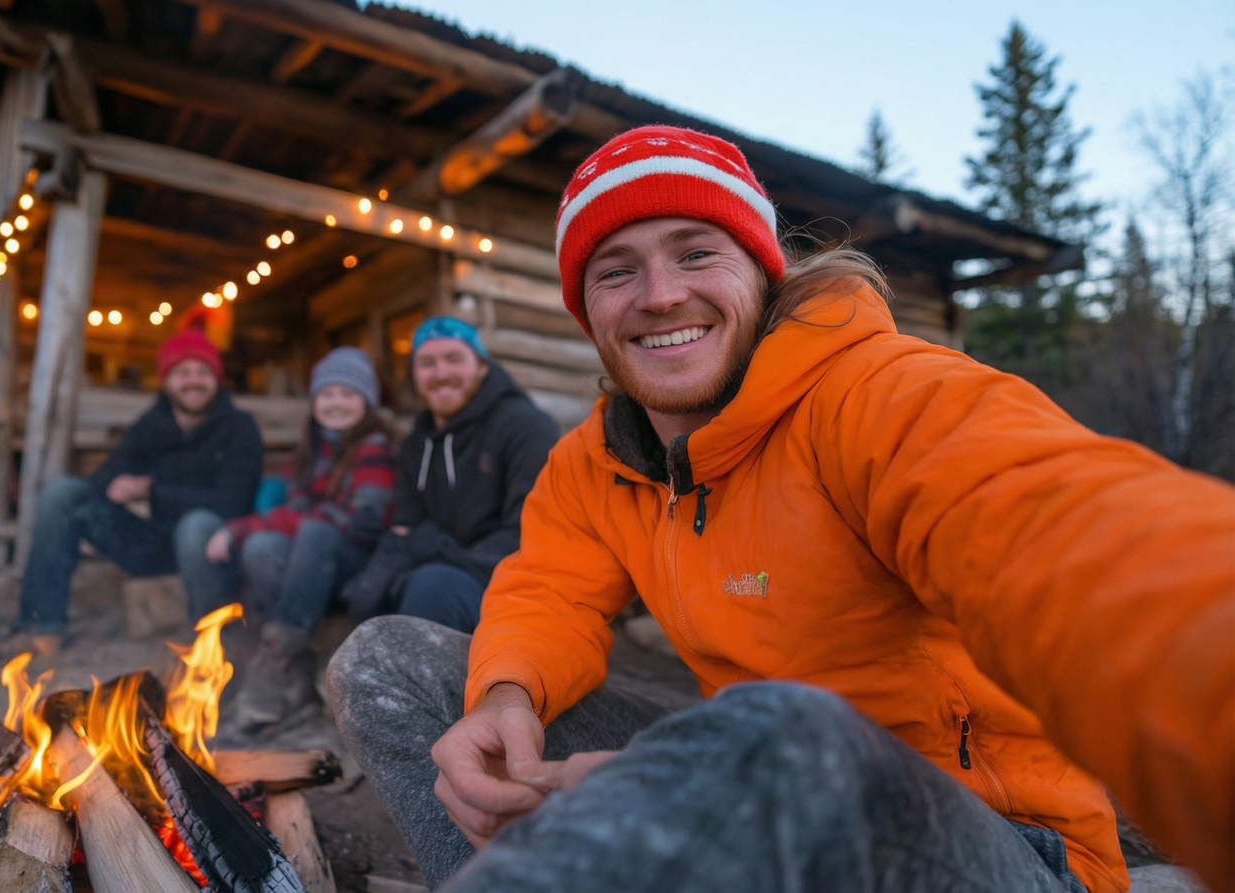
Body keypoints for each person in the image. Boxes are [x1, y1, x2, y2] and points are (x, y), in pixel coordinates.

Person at [326, 126, 1235, 893]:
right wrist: (507, 696)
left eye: (696, 252)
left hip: (1004, 848)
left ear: (762, 272)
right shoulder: (593, 464)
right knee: (387, 663)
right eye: (615, 270)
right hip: (753, 779)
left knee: (777, 732)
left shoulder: (879, 396)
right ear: (586, 312)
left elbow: (1075, 543)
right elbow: (548, 590)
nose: (661, 295)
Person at [0, 328, 263, 668]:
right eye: (182, 372)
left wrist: (150, 491)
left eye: (203, 372)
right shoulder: (151, 425)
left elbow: (233, 503)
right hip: (154, 544)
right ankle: (41, 627)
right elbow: (105, 476)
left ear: (216, 379)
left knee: (196, 525)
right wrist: (115, 485)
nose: (193, 381)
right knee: (61, 494)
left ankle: (209, 644)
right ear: (166, 380)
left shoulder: (240, 428)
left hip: (212, 550)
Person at [193, 346, 398, 733]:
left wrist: (239, 527)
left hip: (359, 563)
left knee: (313, 530)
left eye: (348, 394)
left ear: (367, 401)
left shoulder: (375, 446)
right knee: (263, 547)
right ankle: (294, 661)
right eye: (327, 393)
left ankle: (278, 661)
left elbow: (361, 519)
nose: (336, 402)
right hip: (312, 562)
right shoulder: (315, 447)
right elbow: (295, 506)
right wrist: (254, 530)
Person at [339, 317, 559, 634]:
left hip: (513, 581)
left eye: (454, 359)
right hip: (443, 567)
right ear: (414, 375)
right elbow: (406, 524)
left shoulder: (526, 427)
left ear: (482, 366)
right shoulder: (417, 442)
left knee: (432, 586)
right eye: (427, 363)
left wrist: (435, 553)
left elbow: (530, 536)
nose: (440, 373)